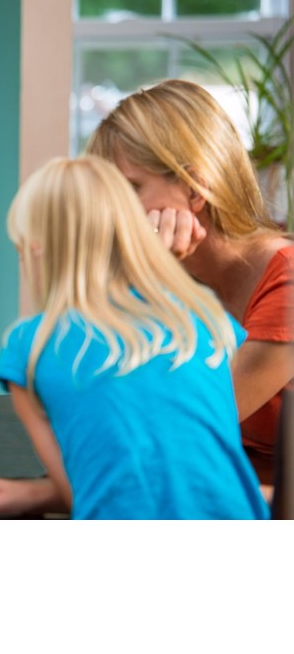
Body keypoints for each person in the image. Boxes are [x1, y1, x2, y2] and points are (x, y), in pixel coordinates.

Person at [0, 156, 269, 520]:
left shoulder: (29, 348)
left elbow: (78, 491)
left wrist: (34, 493)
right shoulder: (207, 319)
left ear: (35, 248)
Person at [87, 79, 293, 486]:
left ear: (195, 189)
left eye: (130, 188)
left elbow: (175, 428)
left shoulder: (286, 284)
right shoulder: (185, 275)